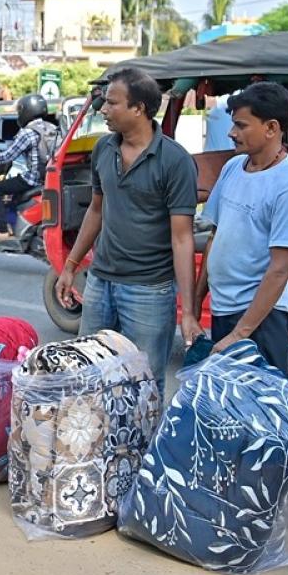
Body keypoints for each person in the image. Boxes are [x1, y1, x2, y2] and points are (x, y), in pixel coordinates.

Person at [54, 68, 202, 391]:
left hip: (149, 291)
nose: (104, 110)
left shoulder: (175, 162)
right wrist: (70, 266)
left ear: (139, 109)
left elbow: (182, 238)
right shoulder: (103, 150)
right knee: (89, 375)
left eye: (112, 103)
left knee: (143, 384)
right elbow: (96, 210)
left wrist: (188, 312)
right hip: (101, 282)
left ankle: (142, 444)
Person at [193, 82, 288, 372]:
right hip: (224, 309)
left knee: (260, 410)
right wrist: (196, 301)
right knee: (228, 406)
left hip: (261, 319)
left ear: (271, 128)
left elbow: (280, 268)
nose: (232, 133)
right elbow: (215, 236)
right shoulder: (234, 167)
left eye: (241, 125)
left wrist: (240, 333)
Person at [0, 94, 58, 242]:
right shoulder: (52, 128)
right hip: (49, 178)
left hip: (32, 179)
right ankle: (14, 225)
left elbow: (6, 157)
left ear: (26, 111)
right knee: (13, 192)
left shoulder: (27, 132)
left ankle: (3, 230)